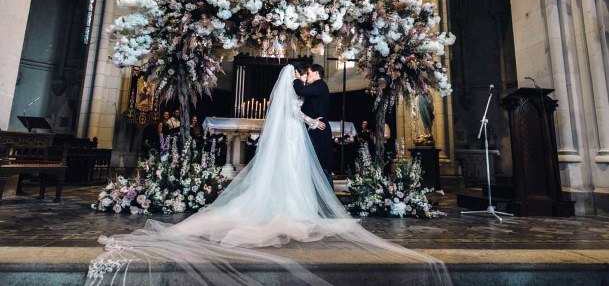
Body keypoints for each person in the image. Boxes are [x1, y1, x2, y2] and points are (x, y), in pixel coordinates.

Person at [87, 65, 451, 285]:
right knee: (290, 173)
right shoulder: (297, 87)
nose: (302, 75)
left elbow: (300, 106)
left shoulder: (307, 87)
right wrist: (309, 114)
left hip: (297, 137)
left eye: (305, 73)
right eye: (299, 73)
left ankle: (291, 205)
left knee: (291, 173)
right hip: (296, 136)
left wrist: (310, 116)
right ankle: (291, 207)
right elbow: (296, 106)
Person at [293, 64, 334, 189]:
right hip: (314, 126)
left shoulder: (320, 85)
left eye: (309, 73)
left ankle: (328, 199)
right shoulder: (315, 87)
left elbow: (301, 90)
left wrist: (296, 78)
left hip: (320, 129)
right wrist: (310, 120)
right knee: (316, 164)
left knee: (322, 165)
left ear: (316, 73)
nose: (307, 76)